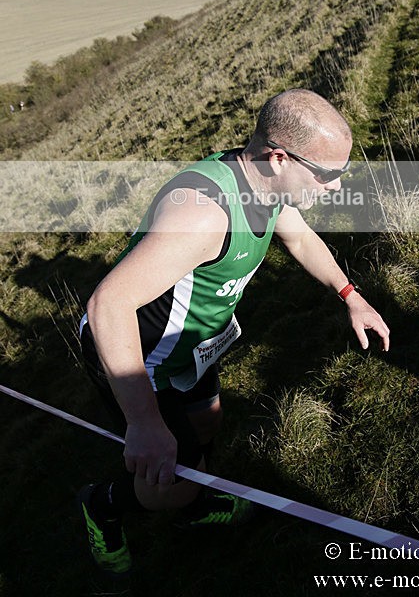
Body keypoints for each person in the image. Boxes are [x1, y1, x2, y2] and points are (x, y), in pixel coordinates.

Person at [78, 89, 390, 577]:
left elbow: (300, 236)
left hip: (195, 345)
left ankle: (195, 504)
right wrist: (142, 421)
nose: (335, 187)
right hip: (139, 354)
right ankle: (103, 505)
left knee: (207, 423)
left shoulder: (268, 184)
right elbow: (108, 305)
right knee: (169, 479)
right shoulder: (203, 216)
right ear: (279, 156)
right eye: (328, 175)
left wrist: (352, 296)